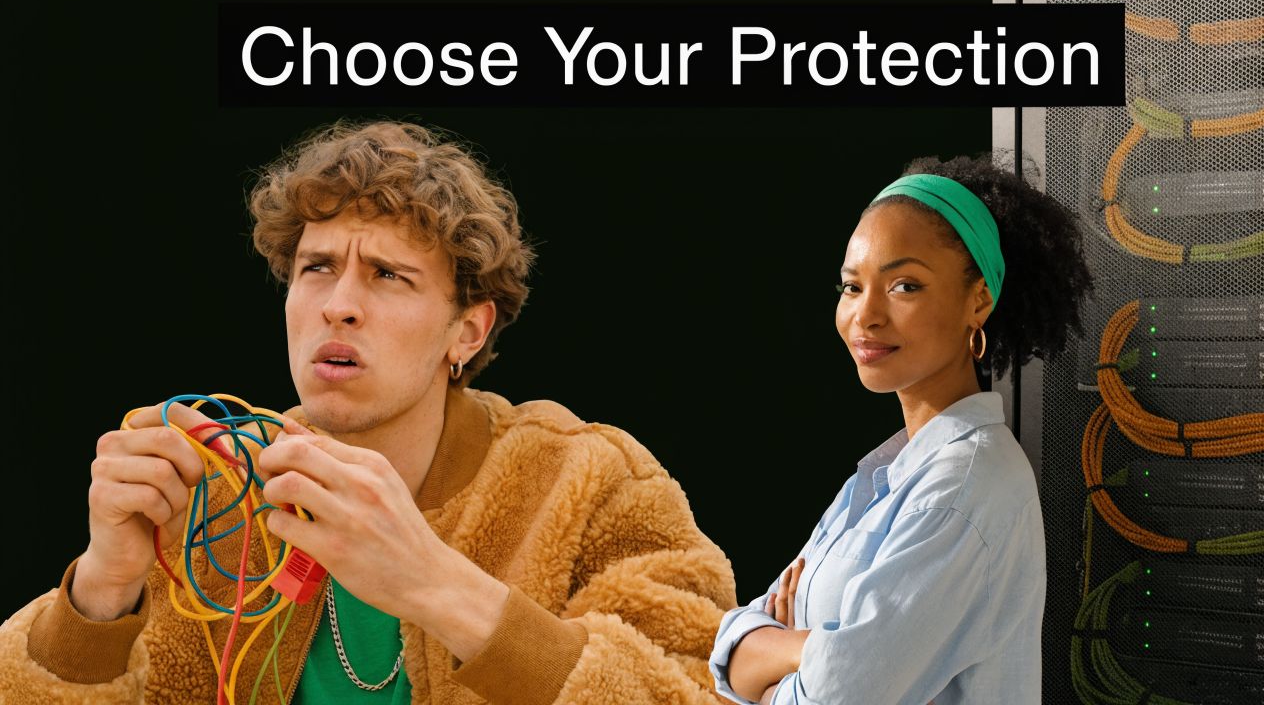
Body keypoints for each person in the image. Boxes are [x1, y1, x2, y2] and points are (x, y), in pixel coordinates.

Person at [0, 121, 736, 704]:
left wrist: (432, 582)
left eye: (388, 275)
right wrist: (100, 591)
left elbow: (702, 692)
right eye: (316, 268)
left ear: (467, 331)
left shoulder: (590, 482)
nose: (339, 304)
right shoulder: (211, 498)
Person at [710, 154, 1092, 704]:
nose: (865, 316)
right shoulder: (880, 479)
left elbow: (824, 697)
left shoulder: (963, 490)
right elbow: (728, 654)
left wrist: (782, 650)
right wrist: (814, 649)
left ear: (978, 300)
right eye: (851, 287)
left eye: (905, 286)